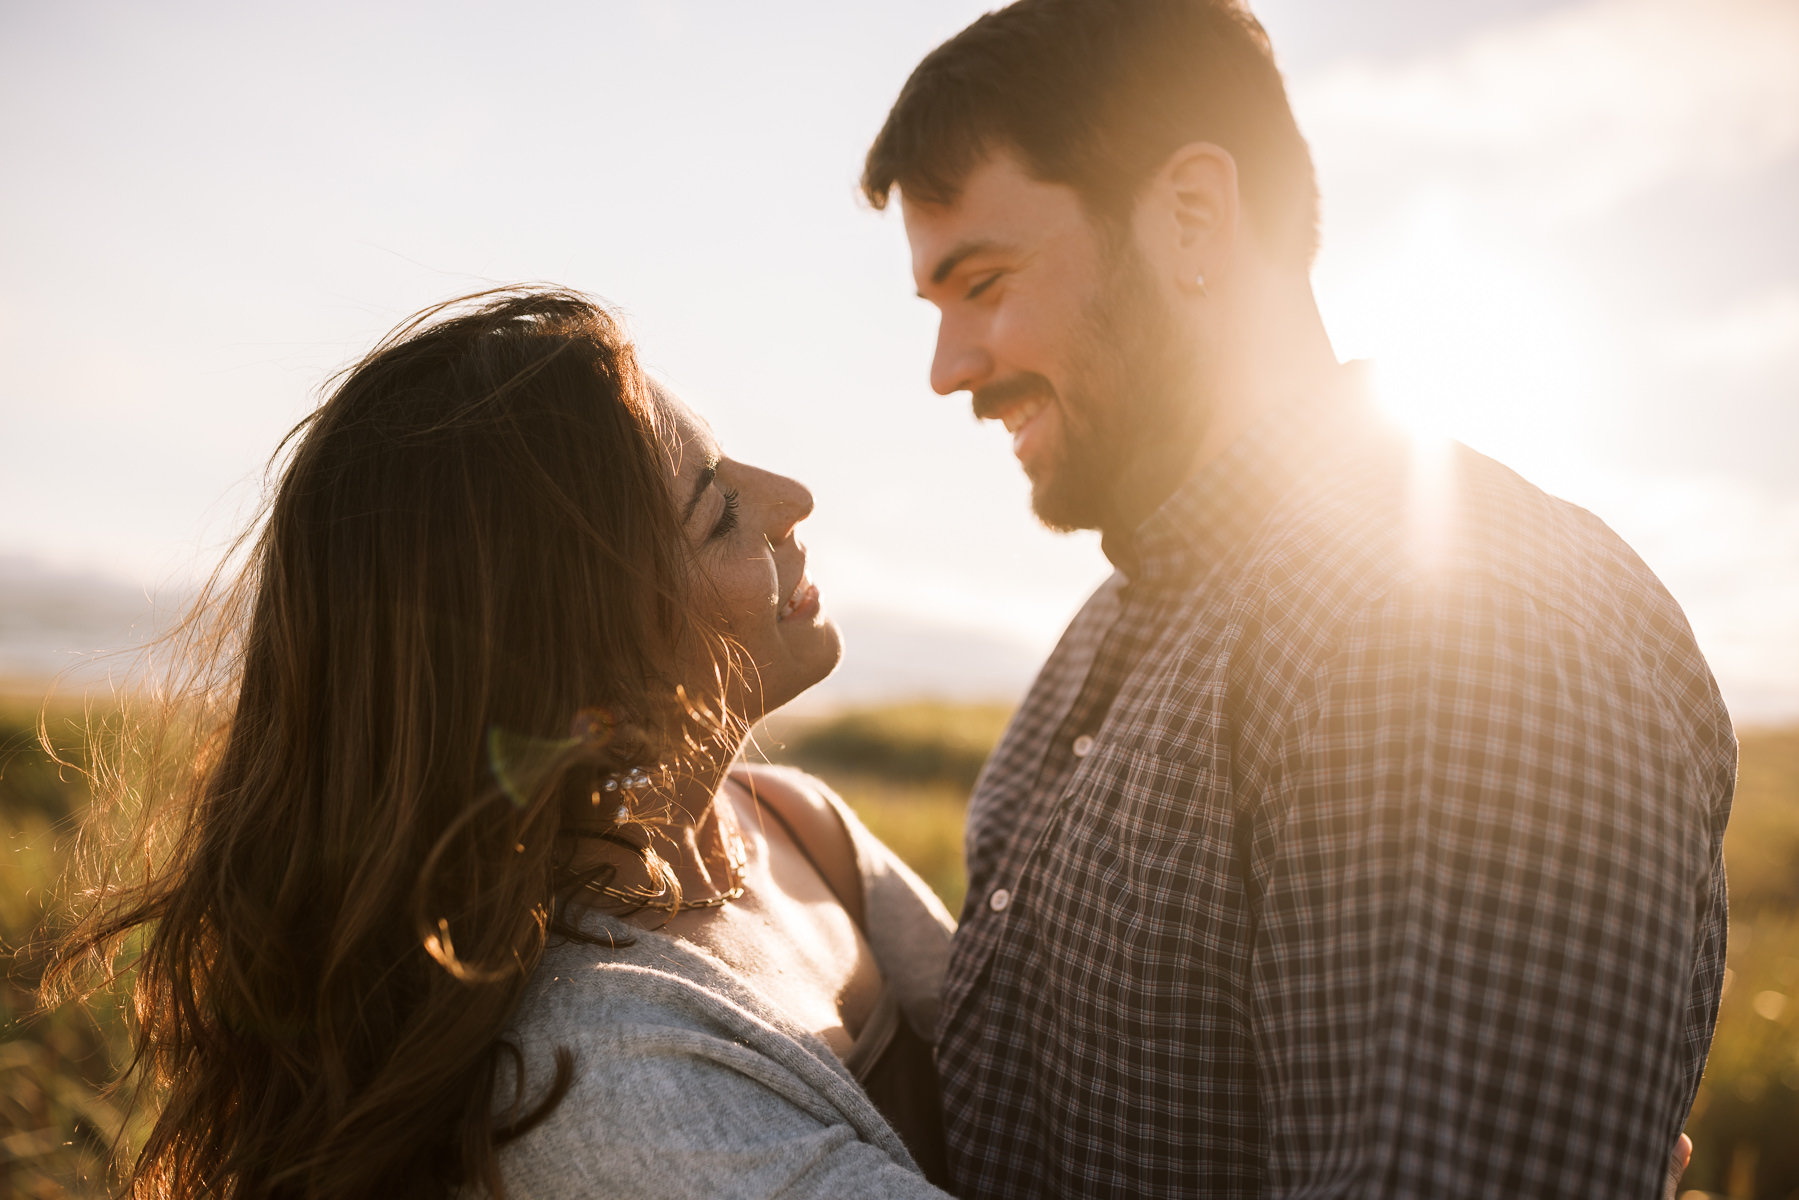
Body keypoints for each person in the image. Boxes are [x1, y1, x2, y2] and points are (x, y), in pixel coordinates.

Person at [862, 1, 1732, 1196]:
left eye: (986, 281)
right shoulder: (1111, 640)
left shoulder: (1444, 622)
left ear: (1191, 217)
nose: (949, 367)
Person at [46, 289, 958, 1199]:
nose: (792, 497)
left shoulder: (797, 827)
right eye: (717, 511)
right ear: (577, 649)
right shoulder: (604, 1076)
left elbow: (1032, 1086)